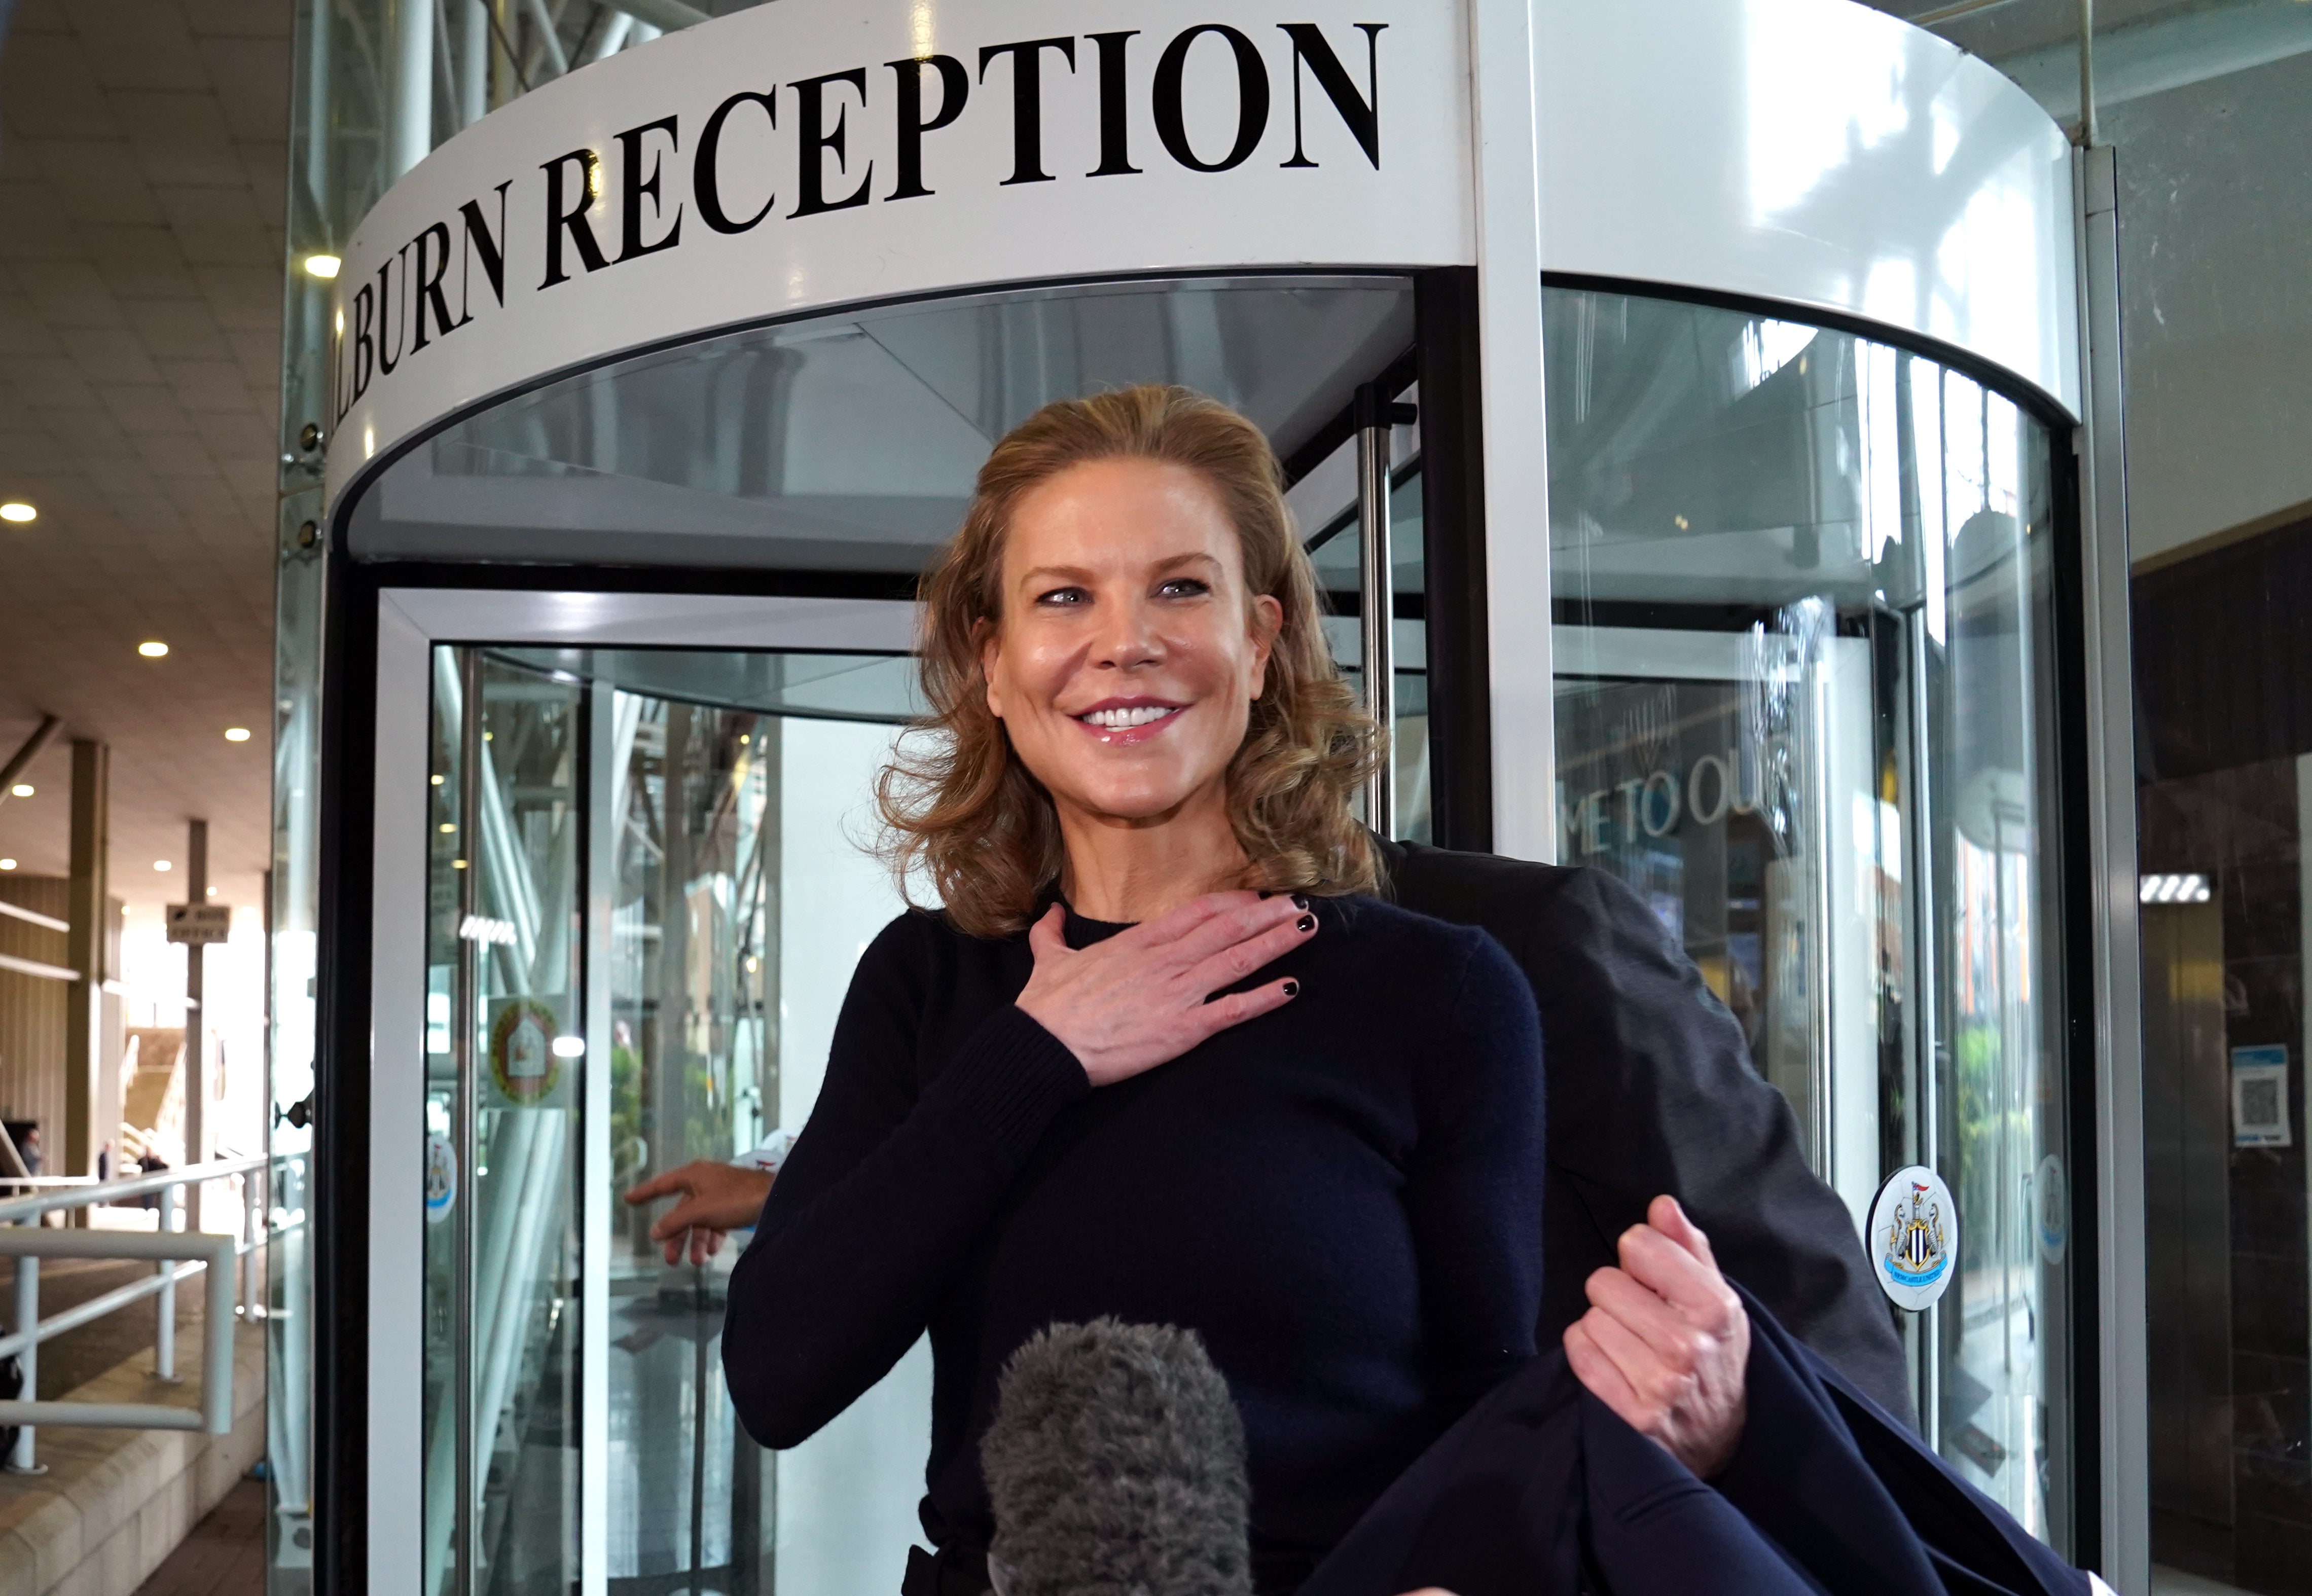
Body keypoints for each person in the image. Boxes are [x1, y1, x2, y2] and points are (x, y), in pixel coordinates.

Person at [640, 385, 1751, 1594]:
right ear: (994, 663)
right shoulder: (931, 983)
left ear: (1261, 640)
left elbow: (1487, 1413)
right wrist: (1040, 1052)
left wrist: (1677, 1427)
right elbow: (778, 1373)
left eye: (1181, 587)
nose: (1128, 639)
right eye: (1065, 595)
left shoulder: (1440, 990)